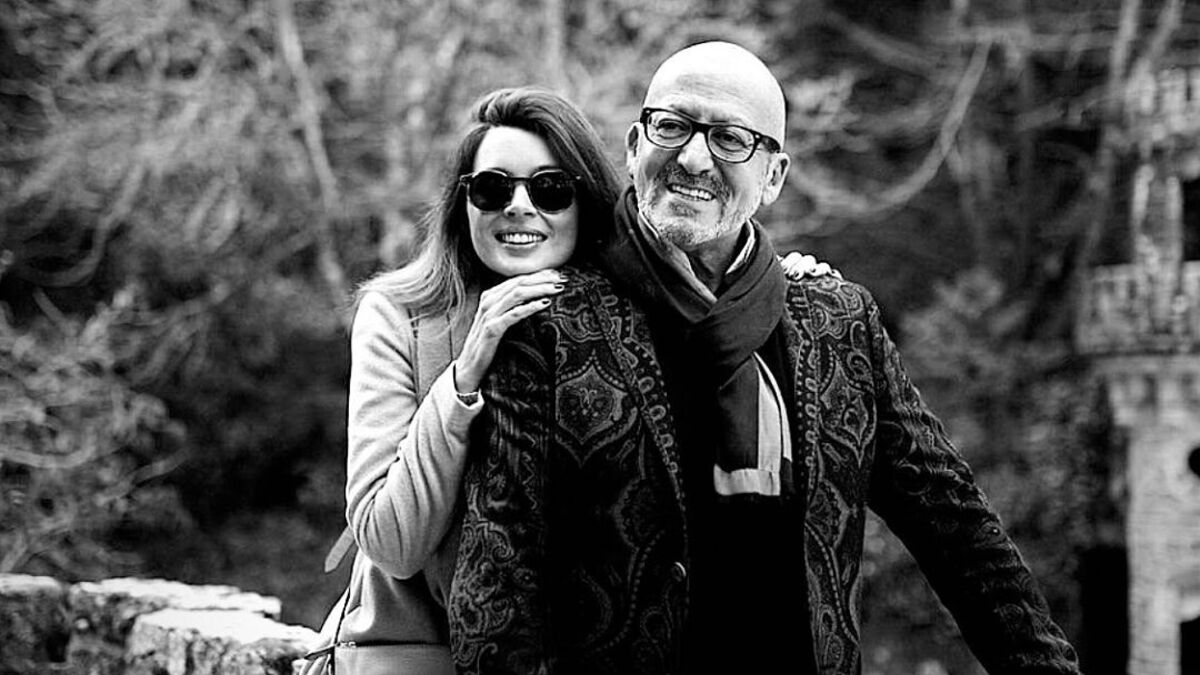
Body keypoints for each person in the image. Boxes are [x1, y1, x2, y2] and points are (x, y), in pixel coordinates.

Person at [448, 42, 1083, 674]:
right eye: (672, 127)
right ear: (635, 146)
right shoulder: (550, 329)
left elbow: (959, 533)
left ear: (774, 176)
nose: (693, 158)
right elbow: (497, 588)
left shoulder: (837, 324)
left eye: (730, 139)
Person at [302, 85, 836, 674]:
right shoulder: (402, 316)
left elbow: (713, 300)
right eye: (492, 188)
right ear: (463, 203)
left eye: (551, 190)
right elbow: (390, 542)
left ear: (585, 204)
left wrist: (774, 287)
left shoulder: (620, 318)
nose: (519, 207)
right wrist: (462, 379)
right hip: (414, 652)